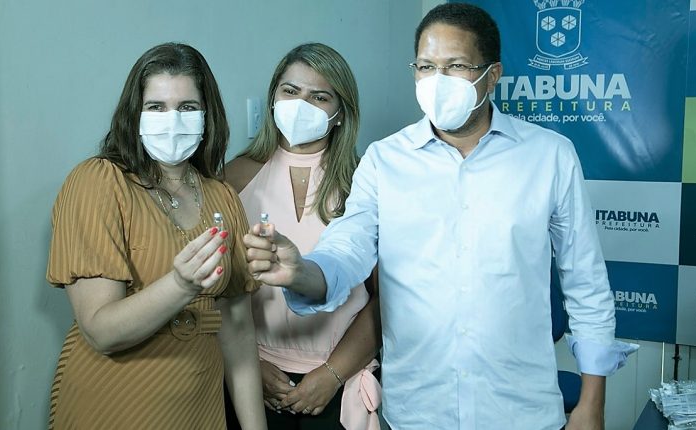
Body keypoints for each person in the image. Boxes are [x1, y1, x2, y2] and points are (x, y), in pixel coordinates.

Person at [242, 4, 638, 430]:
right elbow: (347, 248)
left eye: (456, 66)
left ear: (492, 75)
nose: (438, 81)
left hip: (520, 409)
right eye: (427, 67)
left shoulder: (549, 156)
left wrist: (591, 402)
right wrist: (303, 271)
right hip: (418, 411)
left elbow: (585, 280)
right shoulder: (384, 160)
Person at [46, 42, 267, 430]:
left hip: (199, 408)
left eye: (187, 107)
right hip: (112, 407)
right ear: (135, 114)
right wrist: (181, 285)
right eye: (156, 107)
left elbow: (237, 332)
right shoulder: (98, 183)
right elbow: (101, 330)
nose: (172, 121)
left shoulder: (223, 197)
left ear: (207, 116)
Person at [223, 43, 382, 430]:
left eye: (319, 97)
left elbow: (385, 300)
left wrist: (332, 374)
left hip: (339, 380)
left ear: (341, 112)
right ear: (273, 98)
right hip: (253, 377)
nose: (301, 105)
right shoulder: (234, 177)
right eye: (291, 91)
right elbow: (218, 292)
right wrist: (250, 364)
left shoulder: (364, 183)